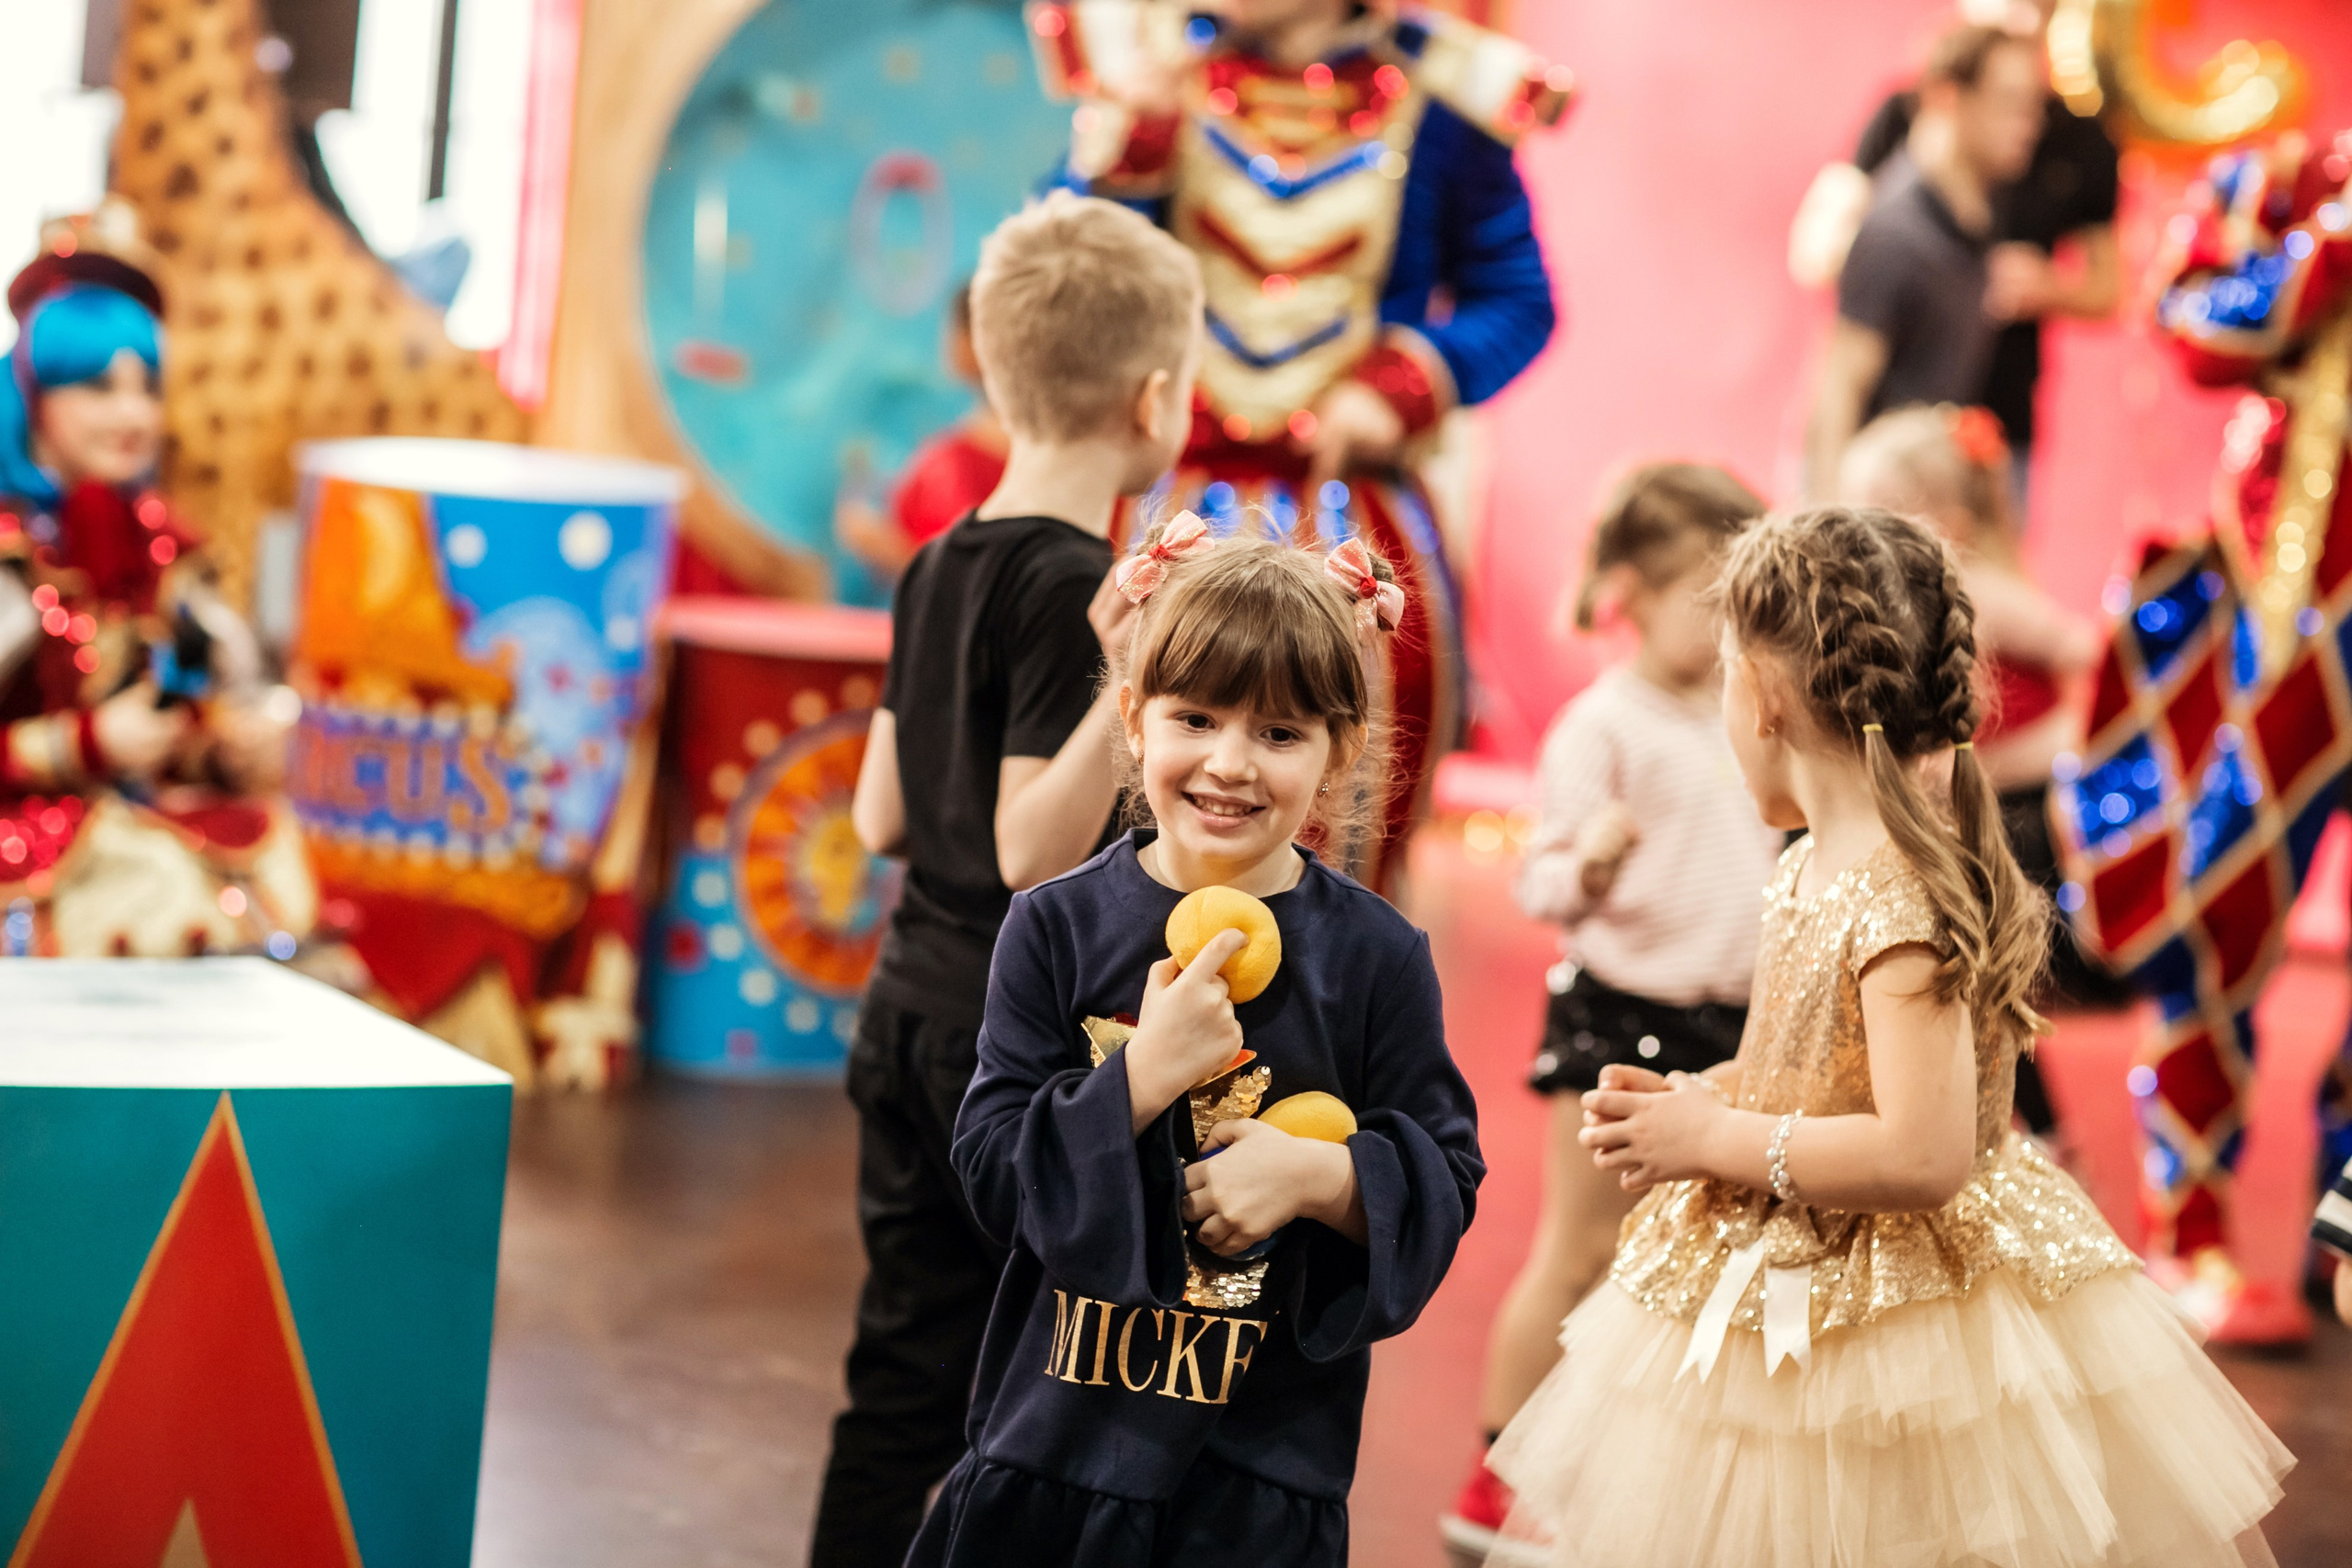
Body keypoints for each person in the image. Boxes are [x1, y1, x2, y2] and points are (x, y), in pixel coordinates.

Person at [1488, 507, 2290, 1566]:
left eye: (1729, 674)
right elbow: (1815, 1069)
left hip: (1896, 1313)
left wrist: (1712, 1145)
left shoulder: (1896, 900)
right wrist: (1711, 1091)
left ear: (1766, 697)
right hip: (1794, 1260)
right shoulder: (1803, 865)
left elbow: (1922, 1154)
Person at [908, 530, 1481, 1565]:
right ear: (1132, 718)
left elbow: (1445, 1177)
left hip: (1256, 1477)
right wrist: (1138, 1077)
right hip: (1056, 1446)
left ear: (1340, 749)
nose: (1228, 762)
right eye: (1195, 718)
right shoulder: (1052, 927)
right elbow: (990, 1173)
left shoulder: (1379, 959)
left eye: (1278, 731)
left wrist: (1317, 1176)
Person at [815, 192, 1204, 1568]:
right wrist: (1129, 671)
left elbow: (878, 814)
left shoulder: (939, 561)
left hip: (905, 1009)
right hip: (1007, 1045)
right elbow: (1030, 847)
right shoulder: (1072, 582)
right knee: (1033, 1381)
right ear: (1157, 401)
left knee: (904, 1371)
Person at [1033, 0, 1568, 888]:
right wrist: (1127, 150)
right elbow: (1056, 268)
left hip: (1352, 522)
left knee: (1347, 823)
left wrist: (1399, 387)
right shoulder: (1159, 73)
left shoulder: (1443, 99)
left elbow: (1518, 297)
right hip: (1162, 510)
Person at [1442, 463, 1782, 1562]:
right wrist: (1585, 866)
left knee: (1707, 1267)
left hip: (1739, 1028)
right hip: (1622, 1020)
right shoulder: (1603, 726)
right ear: (1630, 589)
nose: (1726, 620)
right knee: (1584, 1251)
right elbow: (1541, 886)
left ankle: (1651, 1492)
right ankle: (1493, 1478)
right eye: (1704, 594)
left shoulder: (1753, 714)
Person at [0, 209, 310, 958]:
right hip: (32, 828)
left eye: (148, 388)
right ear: (38, 397)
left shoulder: (164, 546)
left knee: (263, 859)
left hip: (125, 816)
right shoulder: (12, 553)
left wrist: (222, 747)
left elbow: (190, 710)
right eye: (101, 387)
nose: (133, 414)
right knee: (155, 889)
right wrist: (82, 744)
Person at [1839, 403, 2132, 1043]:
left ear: (1950, 524)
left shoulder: (1981, 592)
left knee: (1981, 967)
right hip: (1972, 802)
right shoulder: (1899, 606)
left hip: (2022, 816)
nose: (1862, 538)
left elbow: (2101, 656)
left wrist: (2060, 742)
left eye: (1882, 515)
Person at [1791, 0, 2119, 503]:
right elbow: (1838, 391)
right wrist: (1827, 519)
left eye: (2032, 107)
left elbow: (2111, 287)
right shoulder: (1900, 230)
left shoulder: (1982, 209)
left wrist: (2050, 285)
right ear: (1949, 98)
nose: (2029, 125)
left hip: (1968, 440)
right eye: (2010, 105)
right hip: (1883, 476)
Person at [833, 282, 1010, 583]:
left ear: (971, 340)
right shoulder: (957, 455)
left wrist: (891, 552)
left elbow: (966, 582)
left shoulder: (953, 465)